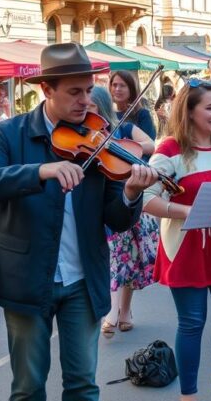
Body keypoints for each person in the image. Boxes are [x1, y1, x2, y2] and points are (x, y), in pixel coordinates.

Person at [0, 43, 159, 401]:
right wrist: (39, 171)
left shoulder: (101, 138)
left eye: (87, 90)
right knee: (28, 387)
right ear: (47, 89)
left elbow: (117, 218)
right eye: (74, 92)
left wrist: (131, 194)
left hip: (83, 279)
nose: (86, 100)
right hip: (27, 276)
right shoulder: (10, 133)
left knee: (83, 385)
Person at [142, 80, 211, 401]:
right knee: (192, 323)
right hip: (187, 246)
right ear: (189, 112)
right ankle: (188, 395)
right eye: (209, 107)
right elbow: (148, 200)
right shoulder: (170, 150)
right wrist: (189, 209)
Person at [87, 86, 158, 338]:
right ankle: (113, 310)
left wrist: (123, 148)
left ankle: (125, 310)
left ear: (102, 108)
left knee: (130, 259)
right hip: (108, 205)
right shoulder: (83, 136)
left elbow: (150, 144)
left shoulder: (124, 129)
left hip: (130, 199)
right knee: (117, 259)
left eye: (92, 107)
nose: (86, 111)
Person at [109, 70, 158, 141]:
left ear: (131, 89)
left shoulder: (142, 115)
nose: (117, 89)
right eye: (114, 85)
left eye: (122, 85)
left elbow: (150, 146)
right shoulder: (109, 113)